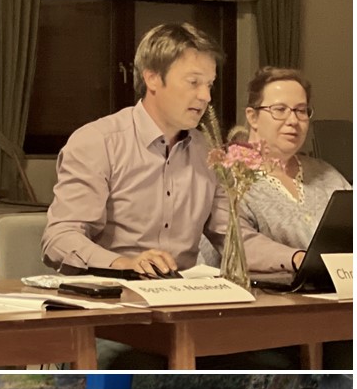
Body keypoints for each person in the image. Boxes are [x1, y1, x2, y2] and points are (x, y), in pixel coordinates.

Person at [42, 23, 305, 278]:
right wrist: (124, 264)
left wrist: (297, 259)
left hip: (180, 299)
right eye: (194, 82)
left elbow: (234, 238)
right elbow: (60, 239)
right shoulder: (98, 142)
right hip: (110, 296)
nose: (206, 96)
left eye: (210, 84)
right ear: (153, 78)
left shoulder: (207, 152)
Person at [199, 67, 351, 266]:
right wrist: (298, 259)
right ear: (253, 117)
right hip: (260, 294)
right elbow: (237, 245)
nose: (293, 120)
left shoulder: (327, 175)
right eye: (280, 110)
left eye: (301, 110)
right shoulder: (228, 177)